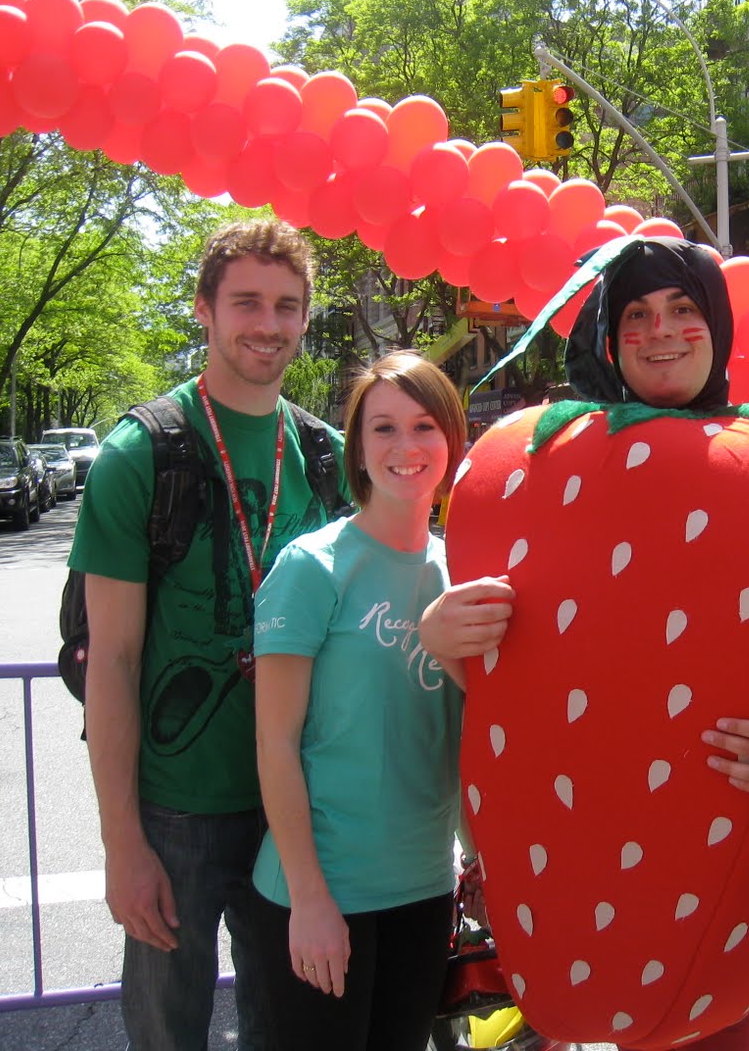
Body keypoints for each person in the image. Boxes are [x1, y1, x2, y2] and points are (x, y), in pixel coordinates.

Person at [422, 237, 749, 1051]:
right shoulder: (541, 470)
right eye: (634, 314)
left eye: (682, 310)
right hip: (586, 851)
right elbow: (518, 675)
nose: (659, 331)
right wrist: (442, 638)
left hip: (728, 844)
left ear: (718, 325)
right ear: (607, 334)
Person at [69, 219, 344, 1051]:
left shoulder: (328, 455)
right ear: (204, 310)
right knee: (166, 1033)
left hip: (293, 808)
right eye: (247, 302)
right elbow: (110, 661)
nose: (269, 324)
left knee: (290, 1029)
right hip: (175, 813)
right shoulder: (141, 454)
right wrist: (124, 843)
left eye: (287, 305)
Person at [248, 351, 467, 1048]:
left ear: (452, 440)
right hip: (322, 890)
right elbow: (275, 743)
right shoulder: (311, 567)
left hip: (426, 886)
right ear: (358, 448)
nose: (406, 448)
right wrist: (310, 899)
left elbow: (470, 736)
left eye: (425, 426)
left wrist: (478, 856)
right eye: (383, 429)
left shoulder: (463, 571)